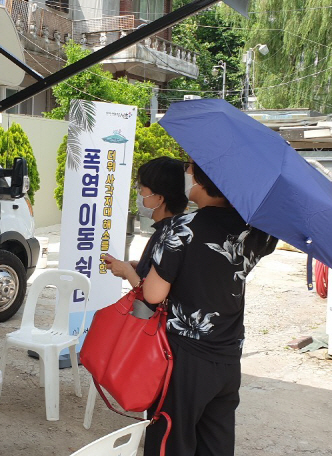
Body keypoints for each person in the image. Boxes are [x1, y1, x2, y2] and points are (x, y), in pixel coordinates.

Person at [121, 160, 277, 456]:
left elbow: (153, 294)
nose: (186, 175)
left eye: (190, 170)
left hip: (184, 358)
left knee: (171, 440)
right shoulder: (256, 232)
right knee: (215, 444)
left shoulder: (182, 227)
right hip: (228, 356)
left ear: (204, 180)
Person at [105, 156, 188, 293]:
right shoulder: (177, 229)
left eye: (141, 189)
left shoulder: (169, 236)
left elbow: (151, 295)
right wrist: (140, 267)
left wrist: (127, 272)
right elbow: (166, 273)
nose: (139, 194)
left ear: (159, 198)